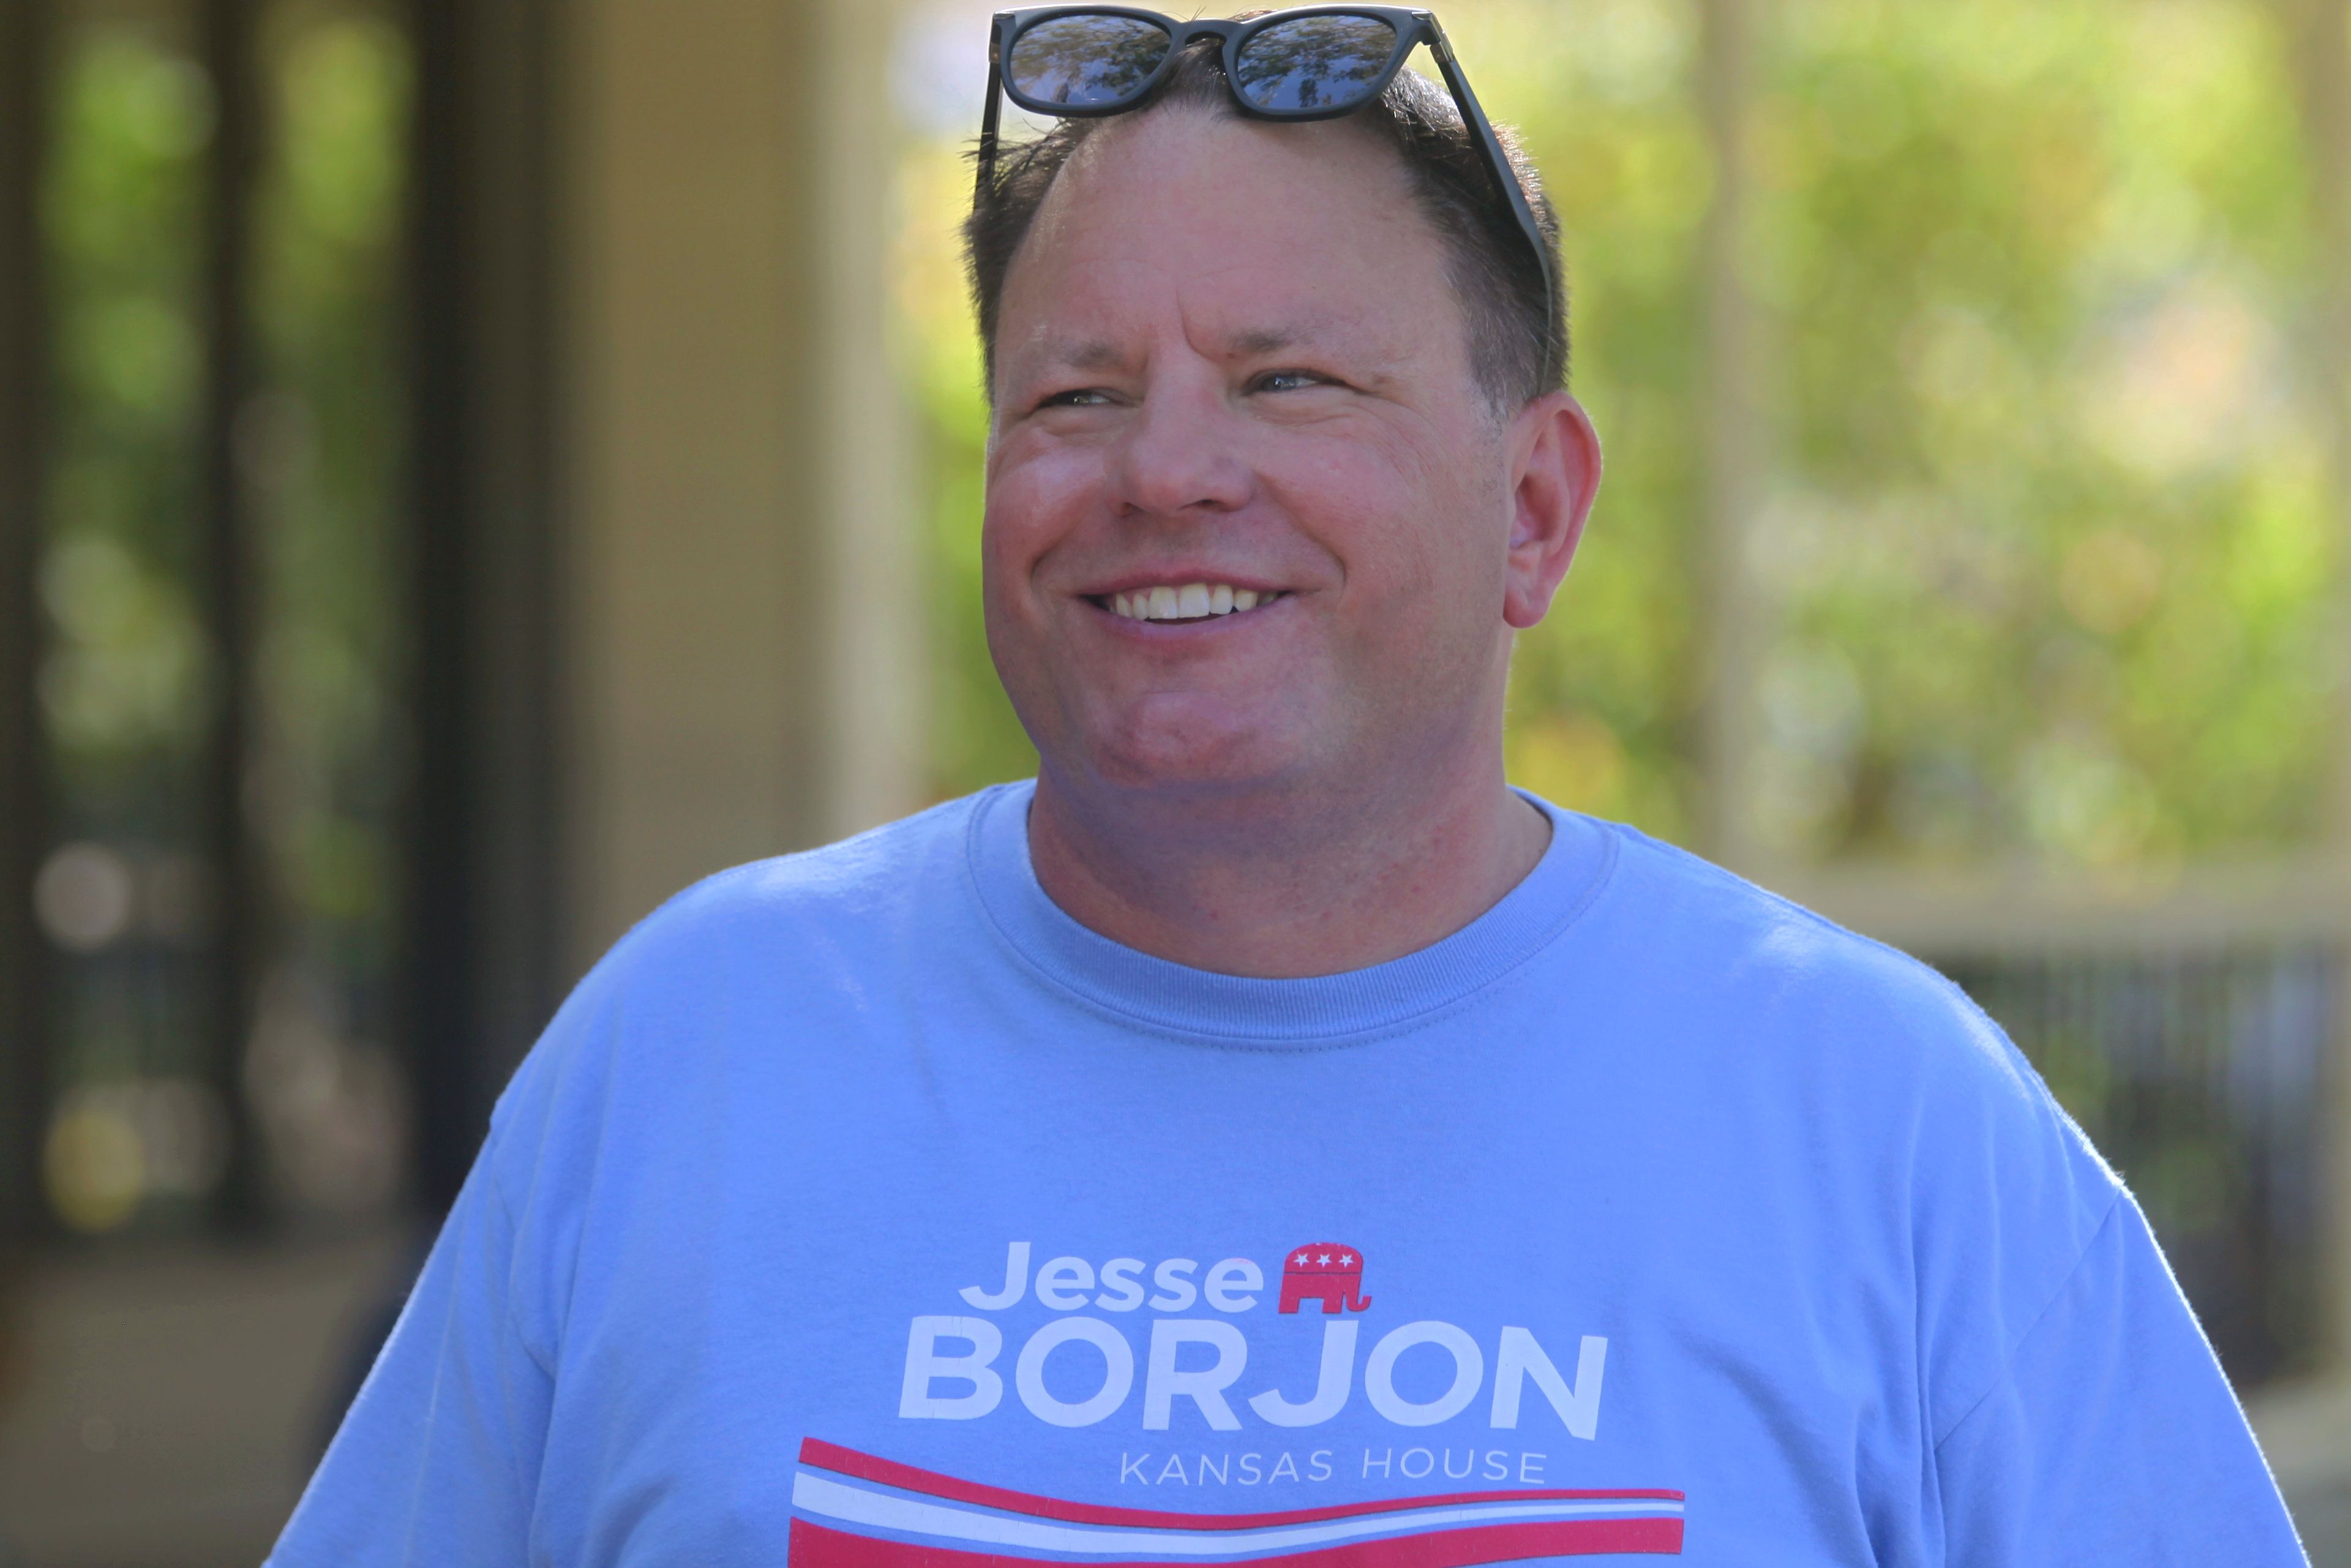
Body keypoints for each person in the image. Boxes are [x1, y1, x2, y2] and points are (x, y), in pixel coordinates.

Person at [269, 8, 2307, 1564]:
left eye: (1287, 381)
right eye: (1076, 392)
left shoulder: (1882, 1121)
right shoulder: (687, 1055)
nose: (1166, 469)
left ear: (1535, 506)